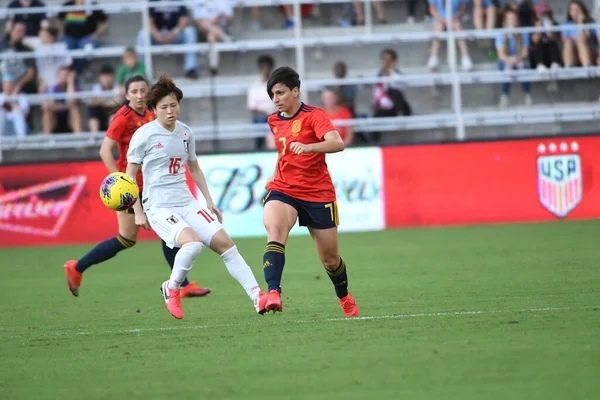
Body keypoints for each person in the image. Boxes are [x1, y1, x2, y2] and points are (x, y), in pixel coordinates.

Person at [125, 74, 266, 319]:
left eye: (173, 105)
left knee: (227, 246)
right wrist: (138, 211)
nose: (170, 111)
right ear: (153, 110)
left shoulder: (186, 133)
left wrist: (209, 201)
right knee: (192, 244)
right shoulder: (144, 136)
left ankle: (258, 298)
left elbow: (194, 168)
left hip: (186, 202)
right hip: (158, 206)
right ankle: (172, 288)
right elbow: (129, 177)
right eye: (164, 107)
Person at [64, 75, 210, 300]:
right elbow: (105, 151)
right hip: (131, 187)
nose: (140, 95)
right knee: (127, 238)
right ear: (127, 95)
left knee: (165, 231)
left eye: (143, 90)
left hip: (152, 185)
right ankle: (77, 267)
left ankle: (182, 285)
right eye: (135, 92)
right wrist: (119, 183)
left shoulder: (153, 113)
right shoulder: (122, 118)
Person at [261, 66, 359, 317]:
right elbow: (283, 153)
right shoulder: (273, 120)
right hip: (283, 188)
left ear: (295, 91)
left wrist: (309, 147)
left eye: (280, 93)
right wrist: (274, 174)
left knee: (330, 259)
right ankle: (273, 293)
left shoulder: (314, 115)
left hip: (317, 193)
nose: (276, 99)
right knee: (275, 231)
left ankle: (344, 296)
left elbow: (337, 143)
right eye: (272, 95)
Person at [137, 0, 199, 79]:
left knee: (190, 32)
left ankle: (191, 68)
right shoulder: (152, 1)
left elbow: (184, 20)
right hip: (157, 35)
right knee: (143, 34)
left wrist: (173, 33)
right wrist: (157, 35)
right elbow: (149, 21)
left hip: (175, 34)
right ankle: (142, 71)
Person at [58, 0, 109, 73]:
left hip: (86, 38)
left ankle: (75, 72)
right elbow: (58, 18)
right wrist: (60, 32)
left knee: (87, 49)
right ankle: (70, 72)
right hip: (70, 38)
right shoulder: (68, 5)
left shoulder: (92, 5)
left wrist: (96, 34)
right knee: (64, 48)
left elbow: (106, 21)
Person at [496, 7, 532, 108]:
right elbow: (501, 54)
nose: (512, 21)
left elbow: (525, 52)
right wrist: (510, 60)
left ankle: (527, 94)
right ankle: (504, 95)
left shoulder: (523, 33)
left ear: (517, 21)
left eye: (514, 19)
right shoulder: (500, 34)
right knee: (504, 66)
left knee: (524, 66)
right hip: (506, 59)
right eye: (509, 19)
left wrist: (518, 59)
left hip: (519, 58)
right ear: (505, 21)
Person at [427, 0, 473, 71]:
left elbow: (462, 10)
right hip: (439, 19)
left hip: (454, 19)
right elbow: (432, 10)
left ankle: (465, 57)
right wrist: (443, 20)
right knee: (438, 27)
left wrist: (455, 17)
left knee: (458, 26)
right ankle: (433, 58)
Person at [247, 54, 277, 150]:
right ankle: (259, 148)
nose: (265, 70)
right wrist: (265, 114)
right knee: (260, 120)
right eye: (263, 67)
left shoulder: (277, 85)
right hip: (261, 116)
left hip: (274, 115)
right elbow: (252, 107)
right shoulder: (255, 86)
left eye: (267, 67)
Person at [41, 66, 82, 134]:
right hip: (55, 121)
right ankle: (47, 140)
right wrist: (67, 106)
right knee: (47, 113)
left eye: (66, 75)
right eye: (62, 75)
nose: (64, 77)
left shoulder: (75, 88)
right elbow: (45, 106)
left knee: (75, 111)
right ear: (58, 76)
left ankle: (79, 142)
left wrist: (70, 82)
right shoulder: (53, 89)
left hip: (69, 120)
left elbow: (73, 100)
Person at [35, 26, 72, 94]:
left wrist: (61, 82)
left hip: (60, 84)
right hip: (45, 83)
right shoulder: (39, 49)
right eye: (41, 36)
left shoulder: (62, 47)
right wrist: (41, 82)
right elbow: (39, 69)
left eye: (44, 36)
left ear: (51, 37)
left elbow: (67, 64)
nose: (41, 38)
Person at [561, 0, 595, 68]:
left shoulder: (589, 24)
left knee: (581, 43)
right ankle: (568, 66)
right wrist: (575, 38)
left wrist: (580, 24)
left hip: (588, 53)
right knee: (568, 43)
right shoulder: (566, 25)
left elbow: (584, 38)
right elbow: (564, 40)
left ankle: (587, 66)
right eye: (572, 10)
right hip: (573, 54)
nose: (575, 12)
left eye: (577, 9)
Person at [530, 1, 561, 72]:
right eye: (541, 13)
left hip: (551, 54)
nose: (543, 15)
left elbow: (556, 40)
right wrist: (538, 29)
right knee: (539, 43)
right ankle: (540, 64)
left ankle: (555, 64)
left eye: (545, 13)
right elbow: (535, 40)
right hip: (537, 57)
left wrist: (550, 29)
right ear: (536, 14)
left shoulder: (554, 24)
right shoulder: (532, 24)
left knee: (552, 43)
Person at [88, 64, 118, 134]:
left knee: (114, 113)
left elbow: (118, 101)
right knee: (93, 111)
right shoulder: (96, 87)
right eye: (104, 76)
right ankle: (95, 137)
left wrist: (101, 100)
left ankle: (112, 137)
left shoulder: (117, 87)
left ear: (113, 77)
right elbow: (91, 102)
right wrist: (109, 101)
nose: (106, 79)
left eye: (108, 76)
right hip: (99, 113)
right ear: (100, 77)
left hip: (111, 111)